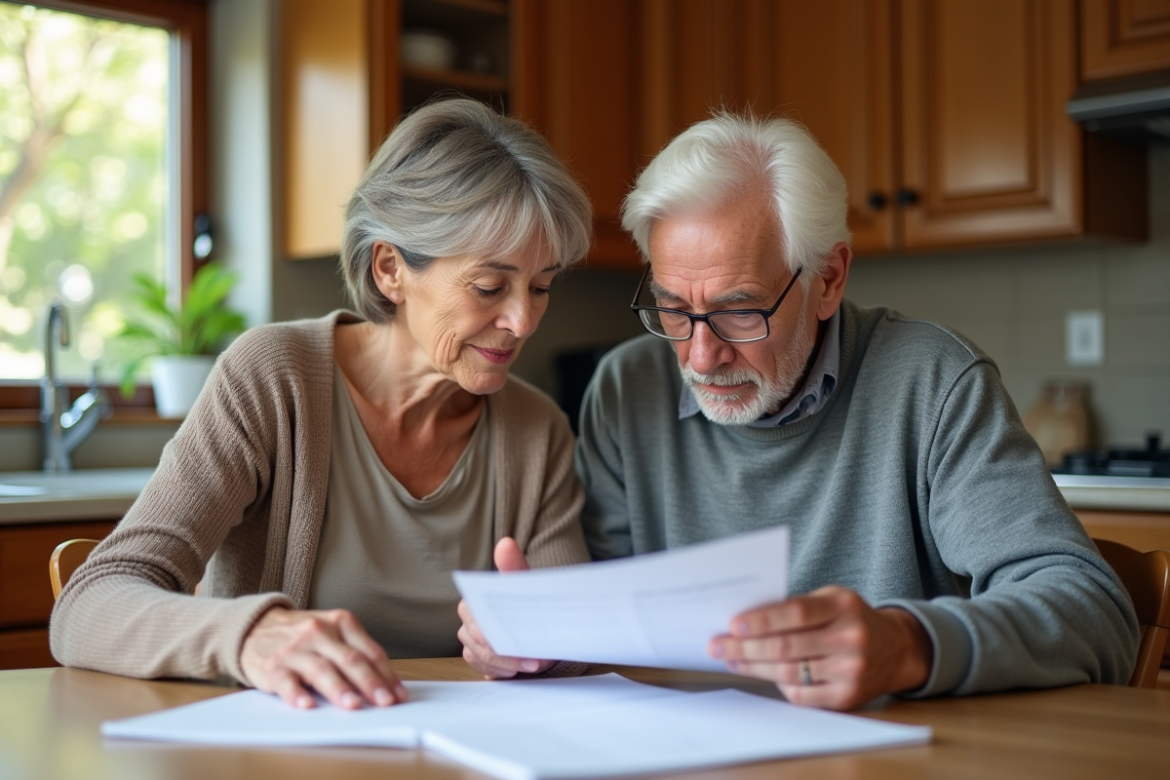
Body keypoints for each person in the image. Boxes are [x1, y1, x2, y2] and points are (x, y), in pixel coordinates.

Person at [459, 113, 1139, 710]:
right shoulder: (625, 388)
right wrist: (539, 640)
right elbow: (608, 627)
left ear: (828, 279)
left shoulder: (933, 383)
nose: (701, 358)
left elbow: (1095, 611)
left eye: (739, 311)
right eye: (672, 308)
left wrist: (908, 644)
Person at [51, 98, 595, 711]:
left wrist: (536, 646)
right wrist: (252, 636)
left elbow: (577, 637)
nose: (524, 320)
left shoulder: (535, 429)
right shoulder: (273, 379)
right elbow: (88, 604)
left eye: (541, 286)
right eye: (489, 286)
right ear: (390, 269)